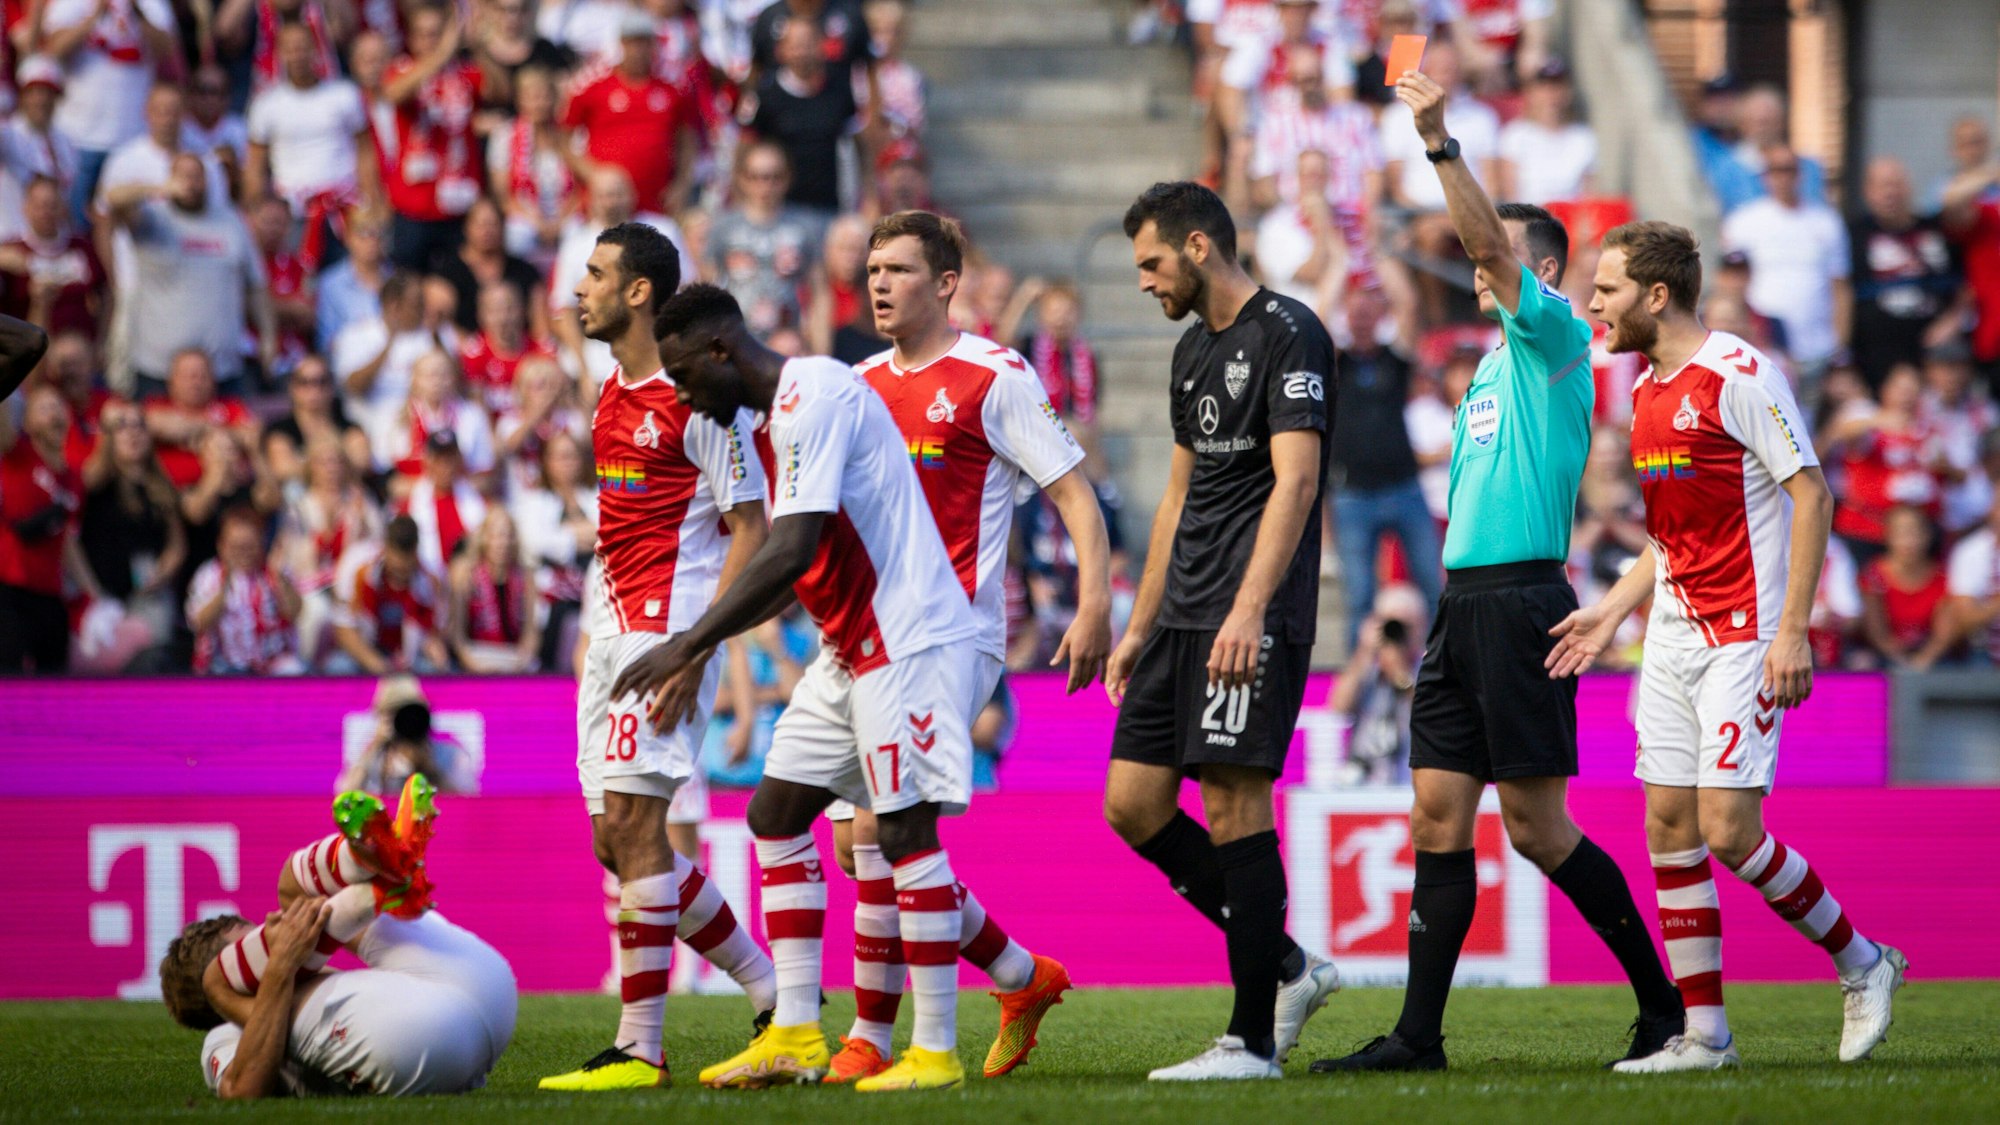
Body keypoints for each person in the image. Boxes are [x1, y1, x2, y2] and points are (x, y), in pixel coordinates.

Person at [1314, 72, 1684, 1076]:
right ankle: (1416, 1038)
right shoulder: (1490, 363)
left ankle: (1662, 1007)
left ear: (1545, 269)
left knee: (1535, 827)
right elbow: (1484, 252)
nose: (1481, 267)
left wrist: (1438, 144)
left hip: (1523, 601)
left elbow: (1484, 248)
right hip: (1461, 606)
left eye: (1503, 255)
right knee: (1435, 814)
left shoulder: (1556, 332)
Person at [618, 282, 993, 1093]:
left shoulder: (814, 392)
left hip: (908, 638)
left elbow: (789, 549)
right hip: (848, 649)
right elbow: (789, 567)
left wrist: (689, 643)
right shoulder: (760, 422)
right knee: (775, 811)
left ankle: (934, 1051)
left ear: (720, 350)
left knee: (903, 833)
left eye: (684, 375)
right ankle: (792, 1030)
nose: (680, 395)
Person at [1552, 218, 1905, 1071]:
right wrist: (1612, 610)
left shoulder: (1741, 375)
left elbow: (1812, 494)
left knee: (1730, 829)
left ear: (1657, 294)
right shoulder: (1645, 391)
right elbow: (1668, 539)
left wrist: (1793, 631)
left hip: (1745, 636)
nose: (1594, 304)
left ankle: (1862, 960)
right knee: (1667, 823)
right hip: (1671, 637)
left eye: (1607, 290)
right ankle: (1706, 1035)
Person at [821, 210, 1106, 1084]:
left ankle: (877, 1037)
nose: (878, 283)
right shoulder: (857, 383)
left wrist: (1095, 603)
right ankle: (1019, 974)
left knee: (884, 825)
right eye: (873, 268)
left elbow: (1074, 492)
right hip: (868, 634)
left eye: (898, 268)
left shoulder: (996, 375)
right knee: (857, 844)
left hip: (955, 637)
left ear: (946, 284)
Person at [535, 223, 777, 1092]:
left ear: (639, 291)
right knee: (615, 841)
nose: (580, 288)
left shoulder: (698, 400)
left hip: (666, 633)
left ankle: (639, 1046)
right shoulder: (609, 390)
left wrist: (696, 650)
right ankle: (771, 988)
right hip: (609, 636)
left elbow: (750, 527)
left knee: (640, 829)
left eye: (596, 273)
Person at [1106, 182, 1339, 1081]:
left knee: (1236, 803)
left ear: (1199, 246)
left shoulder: (1289, 331)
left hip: (1249, 613)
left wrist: (1249, 608)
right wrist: (1138, 624)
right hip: (1181, 613)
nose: (1144, 282)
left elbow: (1297, 481)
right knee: (1133, 803)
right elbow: (1176, 499)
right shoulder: (1192, 348)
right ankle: (1289, 965)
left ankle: (1250, 1042)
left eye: (1152, 263)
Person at [157, 783, 517, 1099]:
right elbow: (242, 1091)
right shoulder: (223, 1036)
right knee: (283, 903)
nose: (274, 925)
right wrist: (276, 967)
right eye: (255, 941)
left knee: (292, 893)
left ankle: (376, 872)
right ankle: (374, 875)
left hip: (483, 991)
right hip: (422, 1036)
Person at [105, 153, 276, 395]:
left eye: (197, 176)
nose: (191, 183)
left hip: (222, 371)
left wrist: (268, 336)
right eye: (183, 176)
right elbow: (113, 198)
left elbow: (256, 285)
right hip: (159, 371)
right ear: (171, 178)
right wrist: (161, 189)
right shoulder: (152, 219)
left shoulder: (232, 221)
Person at [1329, 284, 1442, 648]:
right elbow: (1319, 321)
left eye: (1368, 312)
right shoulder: (1335, 365)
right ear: (1345, 319)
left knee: (1433, 586)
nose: (1361, 320)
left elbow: (1408, 304)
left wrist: (1379, 254)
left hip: (1404, 487)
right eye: (1355, 313)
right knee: (1359, 596)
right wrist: (1339, 271)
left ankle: (1445, 664)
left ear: (1380, 318)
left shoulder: (1394, 361)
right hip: (1352, 495)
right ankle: (1360, 675)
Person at [1720, 145, 1850, 389]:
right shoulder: (1742, 222)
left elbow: (1840, 288)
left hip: (1817, 350)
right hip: (1762, 350)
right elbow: (1729, 285)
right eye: (1774, 170)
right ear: (1764, 176)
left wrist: (1839, 347)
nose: (1782, 177)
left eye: (1788, 169)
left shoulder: (1826, 222)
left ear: (1800, 173)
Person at [380, 2, 490, 270]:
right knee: (409, 281)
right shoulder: (402, 70)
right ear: (411, 38)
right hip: (414, 208)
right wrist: (444, 51)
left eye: (437, 33)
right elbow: (394, 93)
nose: (432, 41)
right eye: (424, 34)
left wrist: (477, 46)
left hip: (459, 206)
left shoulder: (464, 73)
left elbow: (499, 89)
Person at [561, 10, 699, 217]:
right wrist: (594, 175)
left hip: (655, 204)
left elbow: (687, 140)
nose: (638, 50)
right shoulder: (592, 84)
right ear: (622, 44)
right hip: (605, 207)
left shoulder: (673, 86)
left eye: (644, 43)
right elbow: (563, 138)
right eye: (633, 43)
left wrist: (681, 185)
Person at [1846, 157, 1959, 392]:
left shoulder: (1938, 229)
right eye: (1882, 186)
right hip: (1876, 361)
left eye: (1896, 184)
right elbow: (1839, 292)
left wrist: (1952, 321)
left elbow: (1966, 285)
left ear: (1909, 188)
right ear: (1867, 192)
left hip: (1936, 360)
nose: (1890, 193)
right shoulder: (1852, 234)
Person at [243, 21, 376, 214]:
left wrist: (372, 200)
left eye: (302, 47)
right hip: (292, 210)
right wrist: (254, 208)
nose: (297, 55)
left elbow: (365, 152)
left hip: (345, 205)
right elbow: (255, 166)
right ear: (279, 54)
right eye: (290, 49)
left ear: (315, 49)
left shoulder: (346, 94)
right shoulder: (265, 104)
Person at [0, 382, 87, 671]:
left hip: (50, 592)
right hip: (10, 588)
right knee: (9, 675)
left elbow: (67, 542)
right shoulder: (17, 454)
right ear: (27, 422)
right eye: (45, 408)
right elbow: (3, 424)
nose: (54, 414)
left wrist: (95, 594)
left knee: (54, 677)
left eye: (59, 407)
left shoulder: (73, 477)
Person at [276, 436, 383, 666]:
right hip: (313, 587)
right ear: (311, 467)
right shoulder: (299, 506)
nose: (331, 469)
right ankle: (307, 670)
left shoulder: (360, 499)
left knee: (360, 614)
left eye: (336, 462)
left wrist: (362, 522)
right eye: (323, 462)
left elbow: (377, 545)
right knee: (318, 612)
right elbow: (291, 558)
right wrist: (318, 542)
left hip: (352, 585)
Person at [749, 19, 864, 217]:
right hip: (779, 210)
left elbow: (859, 146)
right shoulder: (766, 95)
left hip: (829, 206)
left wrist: (868, 196)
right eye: (795, 46)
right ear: (781, 50)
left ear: (822, 46)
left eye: (808, 44)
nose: (802, 52)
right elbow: (746, 147)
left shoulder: (840, 92)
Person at [709, 142, 822, 339]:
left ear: (787, 178)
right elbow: (708, 288)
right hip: (737, 340)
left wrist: (819, 349)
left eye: (774, 177)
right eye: (756, 177)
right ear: (742, 178)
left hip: (788, 342)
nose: (765, 186)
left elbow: (819, 293)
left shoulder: (805, 226)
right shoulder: (723, 227)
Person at [185, 504, 304, 674]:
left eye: (250, 546)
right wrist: (225, 585)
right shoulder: (208, 575)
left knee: (294, 671)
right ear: (221, 545)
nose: (244, 553)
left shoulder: (275, 570)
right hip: (224, 667)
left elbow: (294, 613)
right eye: (237, 547)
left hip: (272, 664)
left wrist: (280, 579)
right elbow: (200, 623)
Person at [329, 514, 450, 674]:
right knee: (339, 667)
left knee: (434, 669)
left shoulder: (432, 578)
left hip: (411, 656)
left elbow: (437, 631)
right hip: (367, 649)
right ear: (385, 549)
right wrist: (375, 664)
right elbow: (343, 630)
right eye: (396, 570)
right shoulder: (356, 567)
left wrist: (434, 648)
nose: (399, 578)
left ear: (415, 554)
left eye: (405, 572)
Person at [0, 174, 106, 340]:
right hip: (32, 345)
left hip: (82, 342)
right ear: (26, 207)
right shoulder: (10, 251)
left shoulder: (83, 248)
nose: (46, 212)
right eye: (39, 206)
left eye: (52, 205)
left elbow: (104, 295)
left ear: (63, 207)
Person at [1856, 504, 1954, 669]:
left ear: (1928, 535)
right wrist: (1901, 661)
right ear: (1888, 536)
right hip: (1885, 654)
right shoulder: (1873, 575)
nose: (1908, 541)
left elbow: (1943, 634)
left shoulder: (1943, 576)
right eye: (1900, 533)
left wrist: (1923, 661)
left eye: (1915, 532)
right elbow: (1877, 632)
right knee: (1861, 663)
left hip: (1933, 657)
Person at [446, 506, 541, 672]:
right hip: (475, 655)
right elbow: (457, 635)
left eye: (508, 536)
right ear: (484, 538)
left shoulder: (525, 576)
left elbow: (531, 632)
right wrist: (474, 665)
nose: (503, 543)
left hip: (514, 657)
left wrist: (522, 661)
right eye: (497, 536)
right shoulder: (466, 573)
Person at [433, 197, 547, 336]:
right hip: (465, 346)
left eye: (493, 224)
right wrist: (471, 346)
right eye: (481, 224)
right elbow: (440, 326)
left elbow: (541, 329)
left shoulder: (525, 272)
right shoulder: (447, 274)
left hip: (518, 346)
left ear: (503, 227)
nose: (487, 231)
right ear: (466, 227)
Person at [1495, 57, 1596, 205]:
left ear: (1568, 92)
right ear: (1531, 93)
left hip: (1569, 215)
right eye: (1543, 88)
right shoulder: (1515, 135)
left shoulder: (1583, 137)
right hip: (1528, 214)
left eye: (1557, 88)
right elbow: (1510, 196)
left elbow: (1589, 195)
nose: (1550, 96)